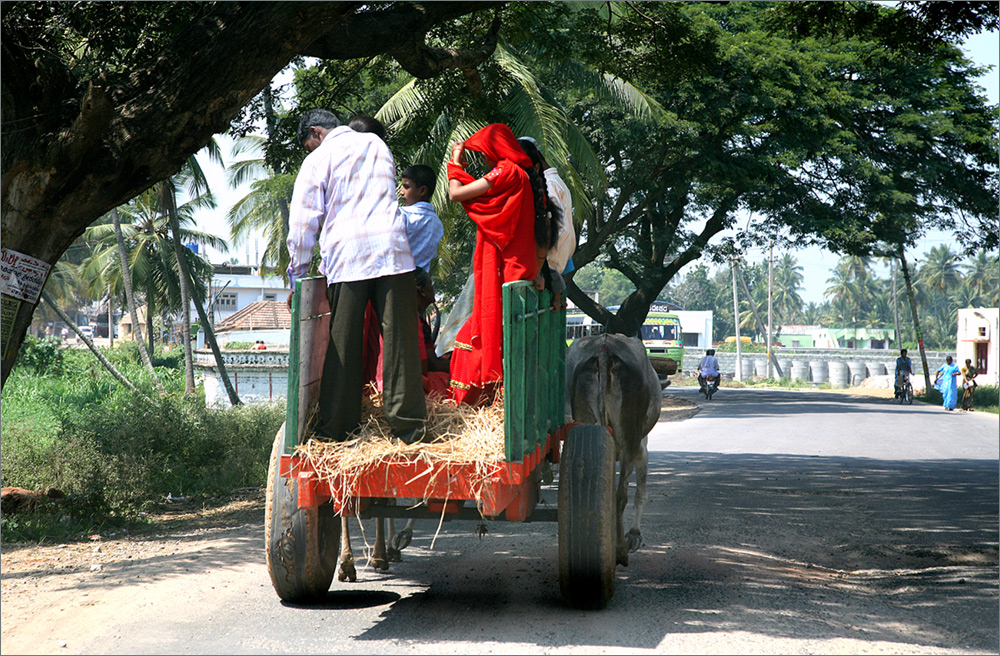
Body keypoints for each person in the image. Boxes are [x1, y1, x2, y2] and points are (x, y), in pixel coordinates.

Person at [286, 108, 426, 444]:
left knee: (343, 343)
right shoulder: (377, 145)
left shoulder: (318, 160)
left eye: (308, 144)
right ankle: (409, 430)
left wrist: (297, 276)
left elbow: (304, 222)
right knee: (400, 342)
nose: (310, 150)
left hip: (348, 255)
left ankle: (338, 429)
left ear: (317, 132)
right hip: (392, 251)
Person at [446, 123, 553, 405]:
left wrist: (455, 164)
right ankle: (496, 397)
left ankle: (485, 399)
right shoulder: (518, 174)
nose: (482, 159)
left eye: (483, 153)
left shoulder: (506, 170)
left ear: (496, 150)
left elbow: (456, 193)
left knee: (484, 333)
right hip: (516, 266)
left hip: (508, 270)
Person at [517, 137, 574, 310]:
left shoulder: (549, 186)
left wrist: (540, 269)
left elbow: (556, 231)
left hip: (547, 269)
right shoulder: (556, 183)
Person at [399, 164, 444, 273]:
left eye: (406, 187)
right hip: (419, 283)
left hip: (397, 280)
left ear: (422, 191)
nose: (401, 192)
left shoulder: (402, 215)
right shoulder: (437, 224)